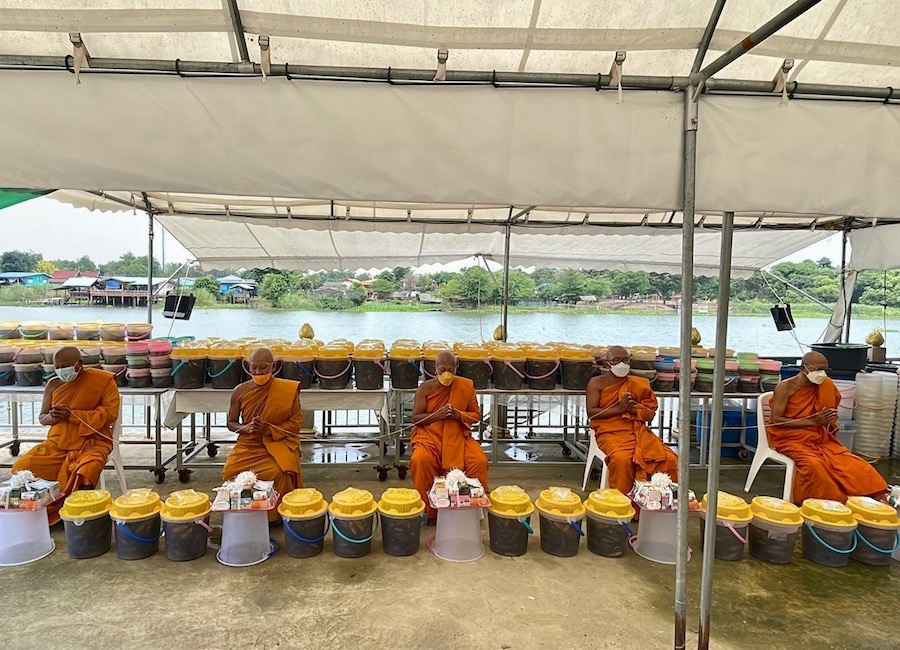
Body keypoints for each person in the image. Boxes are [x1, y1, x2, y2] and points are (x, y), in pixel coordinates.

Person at [12, 346, 120, 524]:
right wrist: (53, 417)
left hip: (92, 441)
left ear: (80, 363)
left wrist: (73, 415)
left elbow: (109, 414)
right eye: (58, 366)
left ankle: (82, 513)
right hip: (57, 442)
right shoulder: (53, 384)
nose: (62, 370)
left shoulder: (103, 381)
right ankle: (41, 513)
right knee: (24, 466)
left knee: (88, 468)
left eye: (66, 365)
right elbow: (42, 417)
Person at [768, 351, 887, 504]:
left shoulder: (826, 385)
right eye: (818, 370)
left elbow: (828, 416)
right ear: (805, 369)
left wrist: (826, 421)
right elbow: (776, 420)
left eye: (825, 370)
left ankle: (873, 496)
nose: (822, 374)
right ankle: (827, 502)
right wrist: (812, 422)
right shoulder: (786, 387)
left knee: (855, 464)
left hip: (820, 438)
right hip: (790, 439)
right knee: (815, 465)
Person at [586, 346, 678, 495]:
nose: (621, 364)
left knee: (670, 458)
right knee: (622, 459)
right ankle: (622, 503)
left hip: (636, 430)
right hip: (609, 431)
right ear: (607, 363)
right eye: (616, 360)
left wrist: (633, 410)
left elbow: (649, 414)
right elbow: (592, 413)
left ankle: (661, 504)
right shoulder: (596, 383)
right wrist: (620, 409)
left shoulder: (638, 384)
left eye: (625, 360)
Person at [409, 350, 488, 522]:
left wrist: (459, 415)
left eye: (451, 370)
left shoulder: (466, 386)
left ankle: (469, 507)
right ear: (434, 368)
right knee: (420, 460)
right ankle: (431, 511)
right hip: (430, 435)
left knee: (478, 461)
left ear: (456, 368)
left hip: (458, 435)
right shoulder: (426, 388)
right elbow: (416, 418)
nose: (447, 374)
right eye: (442, 369)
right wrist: (438, 414)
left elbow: (475, 415)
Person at [225, 348, 302, 522]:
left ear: (273, 367)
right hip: (250, 442)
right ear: (247, 367)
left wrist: (268, 429)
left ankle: (274, 516)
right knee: (231, 471)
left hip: (277, 442)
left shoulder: (286, 390)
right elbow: (231, 423)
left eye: (264, 368)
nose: (258, 372)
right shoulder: (240, 390)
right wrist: (246, 428)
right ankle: (246, 510)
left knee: (280, 471)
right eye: (254, 368)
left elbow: (295, 425)